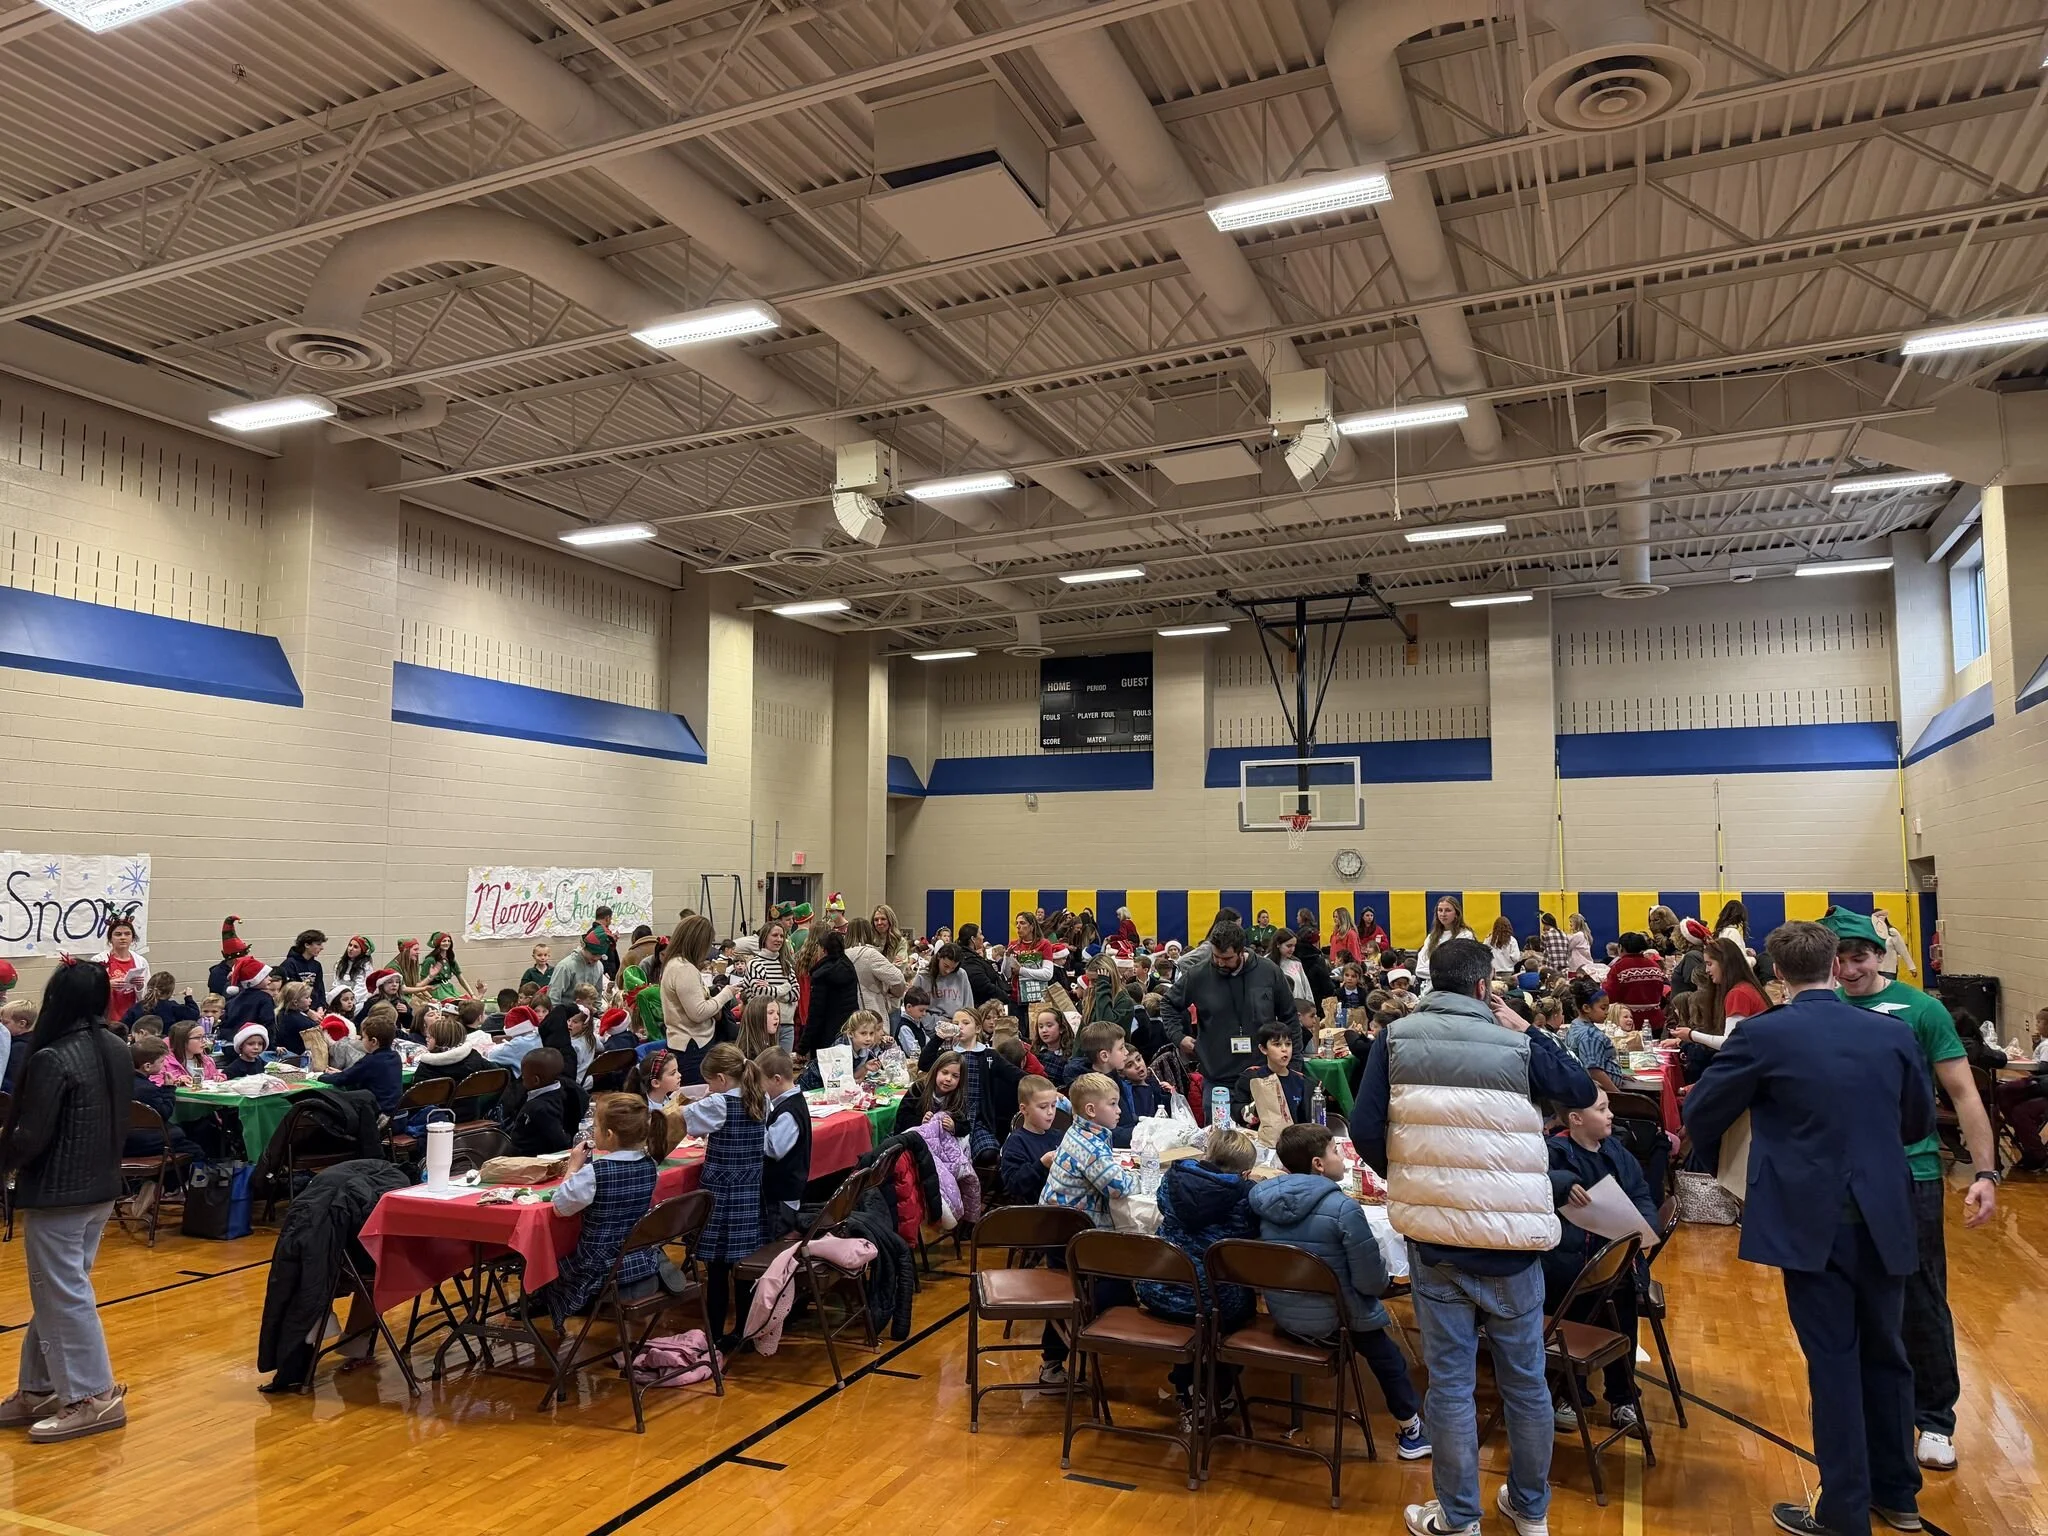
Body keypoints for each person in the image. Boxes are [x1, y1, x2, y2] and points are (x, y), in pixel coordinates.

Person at [1684, 921, 1933, 1536]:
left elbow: (1702, 1112)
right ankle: (1898, 1494)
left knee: (1834, 1361)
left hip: (1810, 1221)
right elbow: (1917, 1120)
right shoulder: (1890, 1033)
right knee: (1888, 1354)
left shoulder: (1766, 1035)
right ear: (1833, 964)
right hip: (1884, 1213)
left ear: (1778, 974)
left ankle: (1844, 1510)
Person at [1350, 937, 1597, 1536]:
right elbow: (1582, 1092)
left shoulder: (1396, 1038)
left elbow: (1363, 1129)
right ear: (1486, 986)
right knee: (1527, 1385)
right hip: (1514, 1245)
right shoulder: (1516, 1041)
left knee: (1452, 1389)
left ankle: (1460, 1519)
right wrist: (1530, 1028)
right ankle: (1530, 1510)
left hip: (1436, 1245)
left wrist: (1408, 1176)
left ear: (1433, 981)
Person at [1822, 907, 1995, 1473]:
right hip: (1838, 1180)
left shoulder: (1921, 1011)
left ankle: (1937, 1417)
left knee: (1919, 1295)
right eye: (1839, 958)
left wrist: (1986, 1173)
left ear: (1881, 955)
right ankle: (1875, 1420)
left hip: (1910, 1174)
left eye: (1859, 956)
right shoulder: (1819, 1009)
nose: (1848, 969)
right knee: (1848, 1303)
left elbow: (1965, 1094)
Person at [0, 961, 133, 1443]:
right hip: (100, 1189)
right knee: (57, 1290)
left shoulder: (52, 1057)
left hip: (61, 1192)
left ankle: (93, 1397)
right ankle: (40, 1388)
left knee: (63, 1293)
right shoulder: (118, 1046)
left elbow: (31, 1135)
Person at [1250, 1123, 1430, 1460]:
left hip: (1283, 1312)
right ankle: (1412, 1430)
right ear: (1318, 1163)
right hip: (1337, 1322)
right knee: (1390, 1359)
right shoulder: (1344, 1209)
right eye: (1336, 1150)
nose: (1342, 1156)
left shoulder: (1262, 1201)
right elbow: (1370, 1282)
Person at [1543, 1089, 1658, 1432]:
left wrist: (1645, 1227)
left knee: (1621, 1318)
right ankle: (1566, 1392)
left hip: (1616, 1263)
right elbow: (1528, 1186)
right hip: (1566, 1263)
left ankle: (1623, 1398)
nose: (1611, 1115)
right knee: (1567, 1313)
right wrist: (1560, 1183)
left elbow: (1641, 1195)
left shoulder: (1617, 1153)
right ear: (1575, 1119)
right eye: (1602, 1109)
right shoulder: (1552, 1153)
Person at [1134, 1124, 1259, 1424]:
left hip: (1156, 1288)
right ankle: (1213, 1388)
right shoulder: (1244, 1199)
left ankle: (1188, 1381)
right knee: (1243, 1306)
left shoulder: (1172, 1180)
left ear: (1207, 1153)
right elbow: (1252, 1235)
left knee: (1211, 1299)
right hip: (1209, 1302)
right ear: (1244, 1173)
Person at [532, 1094, 670, 1326]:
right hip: (639, 1260)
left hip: (597, 1269)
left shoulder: (595, 1173)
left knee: (543, 1263)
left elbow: (560, 1207)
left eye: (595, 1126)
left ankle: (534, 1310)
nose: (592, 1130)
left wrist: (573, 1167)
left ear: (609, 1135)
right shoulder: (650, 1166)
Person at [1160, 923, 1299, 1120]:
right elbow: (1168, 1004)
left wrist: (1294, 1063)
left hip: (1263, 1076)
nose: (1219, 963)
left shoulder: (1269, 972)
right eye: (1215, 956)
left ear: (1241, 951)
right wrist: (1178, 1037)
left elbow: (1290, 1017)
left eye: (1226, 958)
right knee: (1219, 1144)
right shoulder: (1199, 974)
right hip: (1217, 1078)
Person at [686, 1042, 770, 1350]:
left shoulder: (717, 1104)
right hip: (749, 1191)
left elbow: (685, 1119)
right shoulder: (760, 1098)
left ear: (720, 1079)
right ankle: (744, 1330)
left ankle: (715, 1334)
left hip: (722, 1194)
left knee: (718, 1269)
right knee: (744, 1266)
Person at [1038, 1072, 1133, 1229]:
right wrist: (1140, 1180)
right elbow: (1118, 1187)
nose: (1119, 1110)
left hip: (1055, 1222)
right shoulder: (1091, 1147)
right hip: (1072, 1231)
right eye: (1113, 1104)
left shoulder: (1076, 1131)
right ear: (1091, 1110)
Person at [662, 915, 737, 1084]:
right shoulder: (684, 969)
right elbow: (698, 1012)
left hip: (686, 1044)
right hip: (693, 1046)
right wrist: (726, 994)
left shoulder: (674, 964)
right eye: (708, 943)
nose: (709, 948)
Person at [756, 1048, 811, 1239]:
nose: (758, 1087)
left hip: (782, 1198)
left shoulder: (789, 1111)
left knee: (775, 1243)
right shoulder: (786, 1104)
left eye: (760, 1082)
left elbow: (773, 1149)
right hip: (781, 1195)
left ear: (776, 1079)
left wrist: (756, 1123)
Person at [319, 1012, 402, 1113]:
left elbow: (343, 1078)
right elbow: (353, 1073)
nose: (361, 1040)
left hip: (377, 1113)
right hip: (394, 1112)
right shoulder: (395, 1057)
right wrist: (341, 1073)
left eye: (364, 1037)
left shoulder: (371, 1061)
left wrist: (321, 1076)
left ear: (374, 1041)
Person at [803, 931, 860, 1057]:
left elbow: (816, 1013)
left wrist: (803, 1046)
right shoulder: (849, 968)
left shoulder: (822, 975)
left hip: (824, 1040)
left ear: (823, 950)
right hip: (846, 1035)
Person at [1562, 978, 1621, 1092]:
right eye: (1603, 1008)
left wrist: (1617, 1072)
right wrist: (1618, 1094)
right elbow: (1594, 1071)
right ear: (1586, 1008)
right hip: (1601, 1093)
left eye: (1608, 1008)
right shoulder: (1590, 1036)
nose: (1607, 1012)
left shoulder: (1575, 1026)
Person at [1603, 932, 1669, 1034]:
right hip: (1655, 1021)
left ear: (1621, 948)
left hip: (1629, 1022)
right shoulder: (1654, 966)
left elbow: (1610, 996)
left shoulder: (1619, 967)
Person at [1244, 1022, 1307, 1126]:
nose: (1284, 1049)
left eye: (1288, 1044)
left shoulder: (1300, 1081)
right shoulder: (1251, 1077)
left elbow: (1304, 1120)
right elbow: (1237, 1110)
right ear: (1263, 1049)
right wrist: (1254, 1109)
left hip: (1294, 1138)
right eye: (1277, 1044)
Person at [94, 915, 149, 1024]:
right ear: (110, 939)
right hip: (108, 1017)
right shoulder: (98, 960)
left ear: (132, 938)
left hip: (131, 1017)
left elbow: (146, 995)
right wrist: (107, 984)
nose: (123, 937)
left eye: (127, 934)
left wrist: (139, 986)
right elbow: (89, 989)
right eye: (118, 934)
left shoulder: (141, 961)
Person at [1415, 897, 1476, 992]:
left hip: (1456, 991)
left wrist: (1434, 969)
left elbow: (1457, 970)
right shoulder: (1431, 937)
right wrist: (1445, 973)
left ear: (1456, 913)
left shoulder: (1465, 935)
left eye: (1447, 910)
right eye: (1440, 910)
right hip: (1430, 991)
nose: (1443, 914)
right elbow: (1420, 969)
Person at [549, 929, 608, 1007]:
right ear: (584, 947)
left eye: (600, 955)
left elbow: (597, 996)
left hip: (588, 1013)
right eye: (594, 954)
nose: (596, 958)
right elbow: (553, 997)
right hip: (566, 1013)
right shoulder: (566, 966)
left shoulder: (599, 966)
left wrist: (600, 1015)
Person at [276, 931, 327, 1011]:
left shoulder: (317, 965)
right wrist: (308, 1012)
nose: (322, 948)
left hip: (314, 1009)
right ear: (307, 945)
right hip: (296, 1010)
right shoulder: (289, 964)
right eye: (318, 944)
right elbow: (289, 994)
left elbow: (320, 990)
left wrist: (320, 1007)